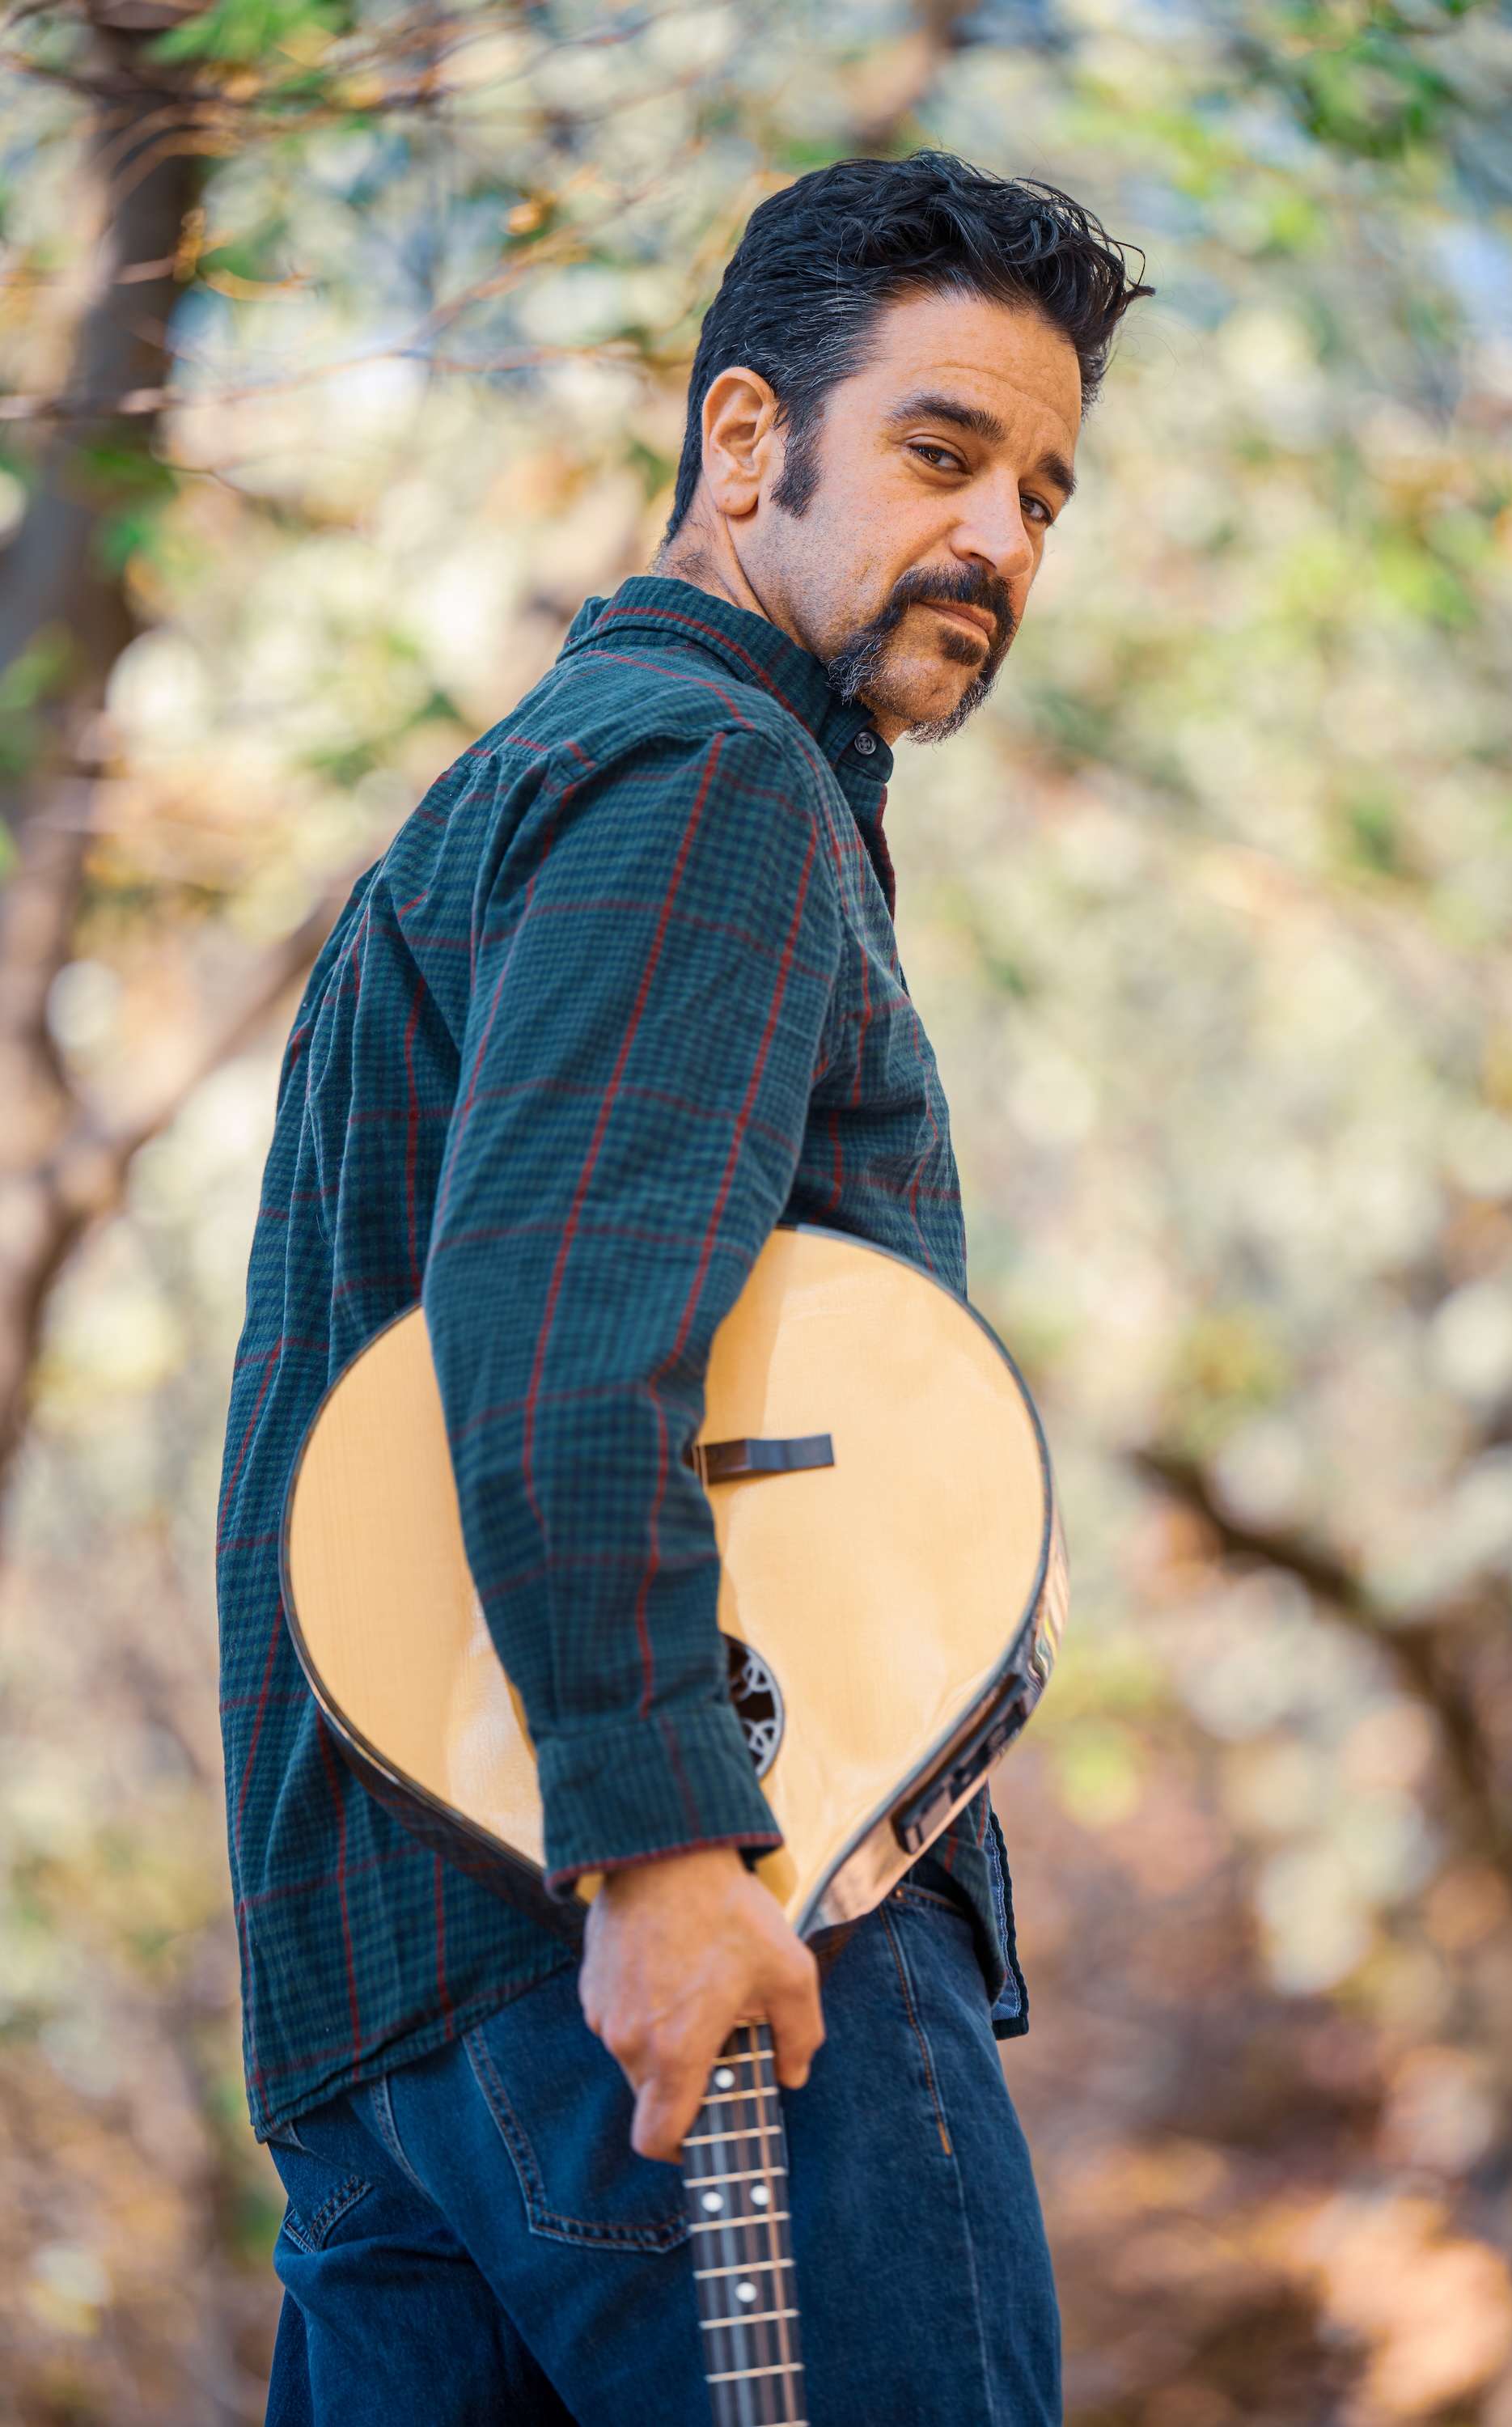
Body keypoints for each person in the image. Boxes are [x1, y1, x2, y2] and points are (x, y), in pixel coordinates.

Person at [218, 145, 1150, 2425]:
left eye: (1046, 490)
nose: (1001, 541)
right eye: (944, 454)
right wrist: (657, 1843)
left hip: (398, 2032)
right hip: (705, 1954)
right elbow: (556, 1320)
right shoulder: (706, 772)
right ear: (746, 440)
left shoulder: (529, 793)